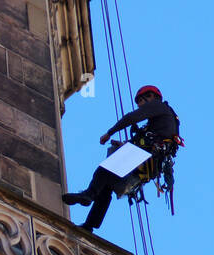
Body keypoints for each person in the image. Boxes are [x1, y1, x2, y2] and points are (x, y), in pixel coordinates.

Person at [63, 86, 181, 231]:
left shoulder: (158, 106)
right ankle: (90, 225)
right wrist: (124, 144)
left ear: (151, 96)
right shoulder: (161, 121)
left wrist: (110, 132)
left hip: (147, 155)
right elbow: (148, 137)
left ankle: (88, 195)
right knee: (106, 185)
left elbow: (131, 117)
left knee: (103, 171)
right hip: (149, 162)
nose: (140, 106)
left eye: (141, 101)